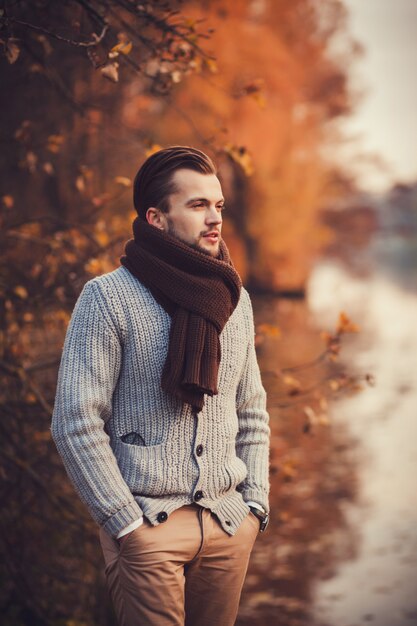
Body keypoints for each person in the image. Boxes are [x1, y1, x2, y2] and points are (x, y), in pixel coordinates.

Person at [51, 145, 270, 626]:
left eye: (217, 205)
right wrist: (124, 523)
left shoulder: (236, 300)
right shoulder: (108, 298)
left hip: (229, 524)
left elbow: (251, 411)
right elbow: (75, 422)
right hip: (148, 525)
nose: (214, 218)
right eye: (196, 206)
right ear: (156, 218)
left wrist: (256, 504)